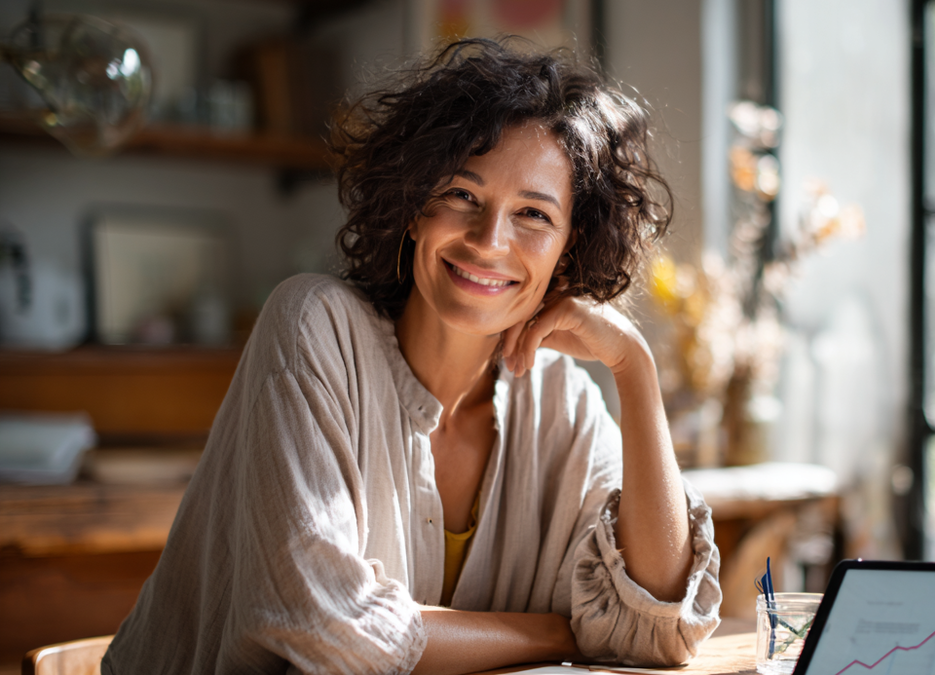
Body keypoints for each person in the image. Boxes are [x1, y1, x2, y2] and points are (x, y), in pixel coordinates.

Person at [101, 38, 721, 675]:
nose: (488, 241)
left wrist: (634, 370)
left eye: (533, 214)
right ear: (413, 208)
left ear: (569, 248)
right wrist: (560, 635)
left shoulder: (560, 400)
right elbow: (325, 628)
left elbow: (655, 629)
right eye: (460, 196)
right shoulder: (314, 325)